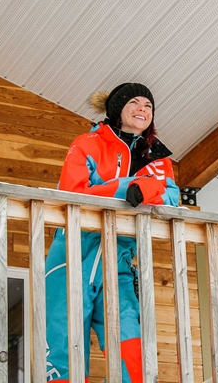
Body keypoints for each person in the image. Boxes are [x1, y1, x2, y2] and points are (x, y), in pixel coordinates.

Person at [45, 82, 180, 383]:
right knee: (63, 343)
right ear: (118, 109)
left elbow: (172, 197)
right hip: (73, 252)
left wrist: (146, 187)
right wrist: (125, 188)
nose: (142, 109)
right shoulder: (88, 143)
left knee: (131, 345)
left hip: (120, 256)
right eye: (134, 102)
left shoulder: (158, 158)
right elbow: (72, 191)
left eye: (148, 105)